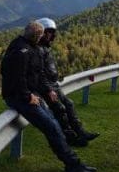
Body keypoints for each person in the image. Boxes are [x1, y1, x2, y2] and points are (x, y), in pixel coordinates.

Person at [0, 21, 96, 172]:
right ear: (36, 36)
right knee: (51, 127)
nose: (43, 38)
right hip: (20, 98)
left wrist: (47, 90)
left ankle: (75, 163)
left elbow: (38, 75)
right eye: (40, 35)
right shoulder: (21, 50)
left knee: (55, 125)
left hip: (31, 96)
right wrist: (28, 96)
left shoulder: (32, 48)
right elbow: (16, 77)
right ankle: (73, 166)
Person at [36, 17, 100, 147]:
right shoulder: (37, 49)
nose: (52, 35)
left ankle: (81, 132)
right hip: (46, 87)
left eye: (52, 32)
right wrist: (48, 89)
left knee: (69, 104)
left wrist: (56, 76)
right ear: (42, 32)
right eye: (49, 32)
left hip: (53, 84)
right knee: (60, 109)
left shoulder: (45, 48)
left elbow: (48, 67)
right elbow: (39, 72)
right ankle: (70, 138)